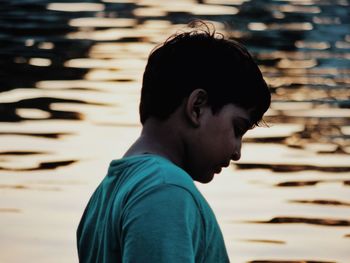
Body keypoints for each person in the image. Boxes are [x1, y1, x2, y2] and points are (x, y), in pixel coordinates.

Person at [77, 21, 271, 263]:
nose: (237, 151)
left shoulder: (104, 197)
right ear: (197, 107)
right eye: (237, 128)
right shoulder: (165, 190)